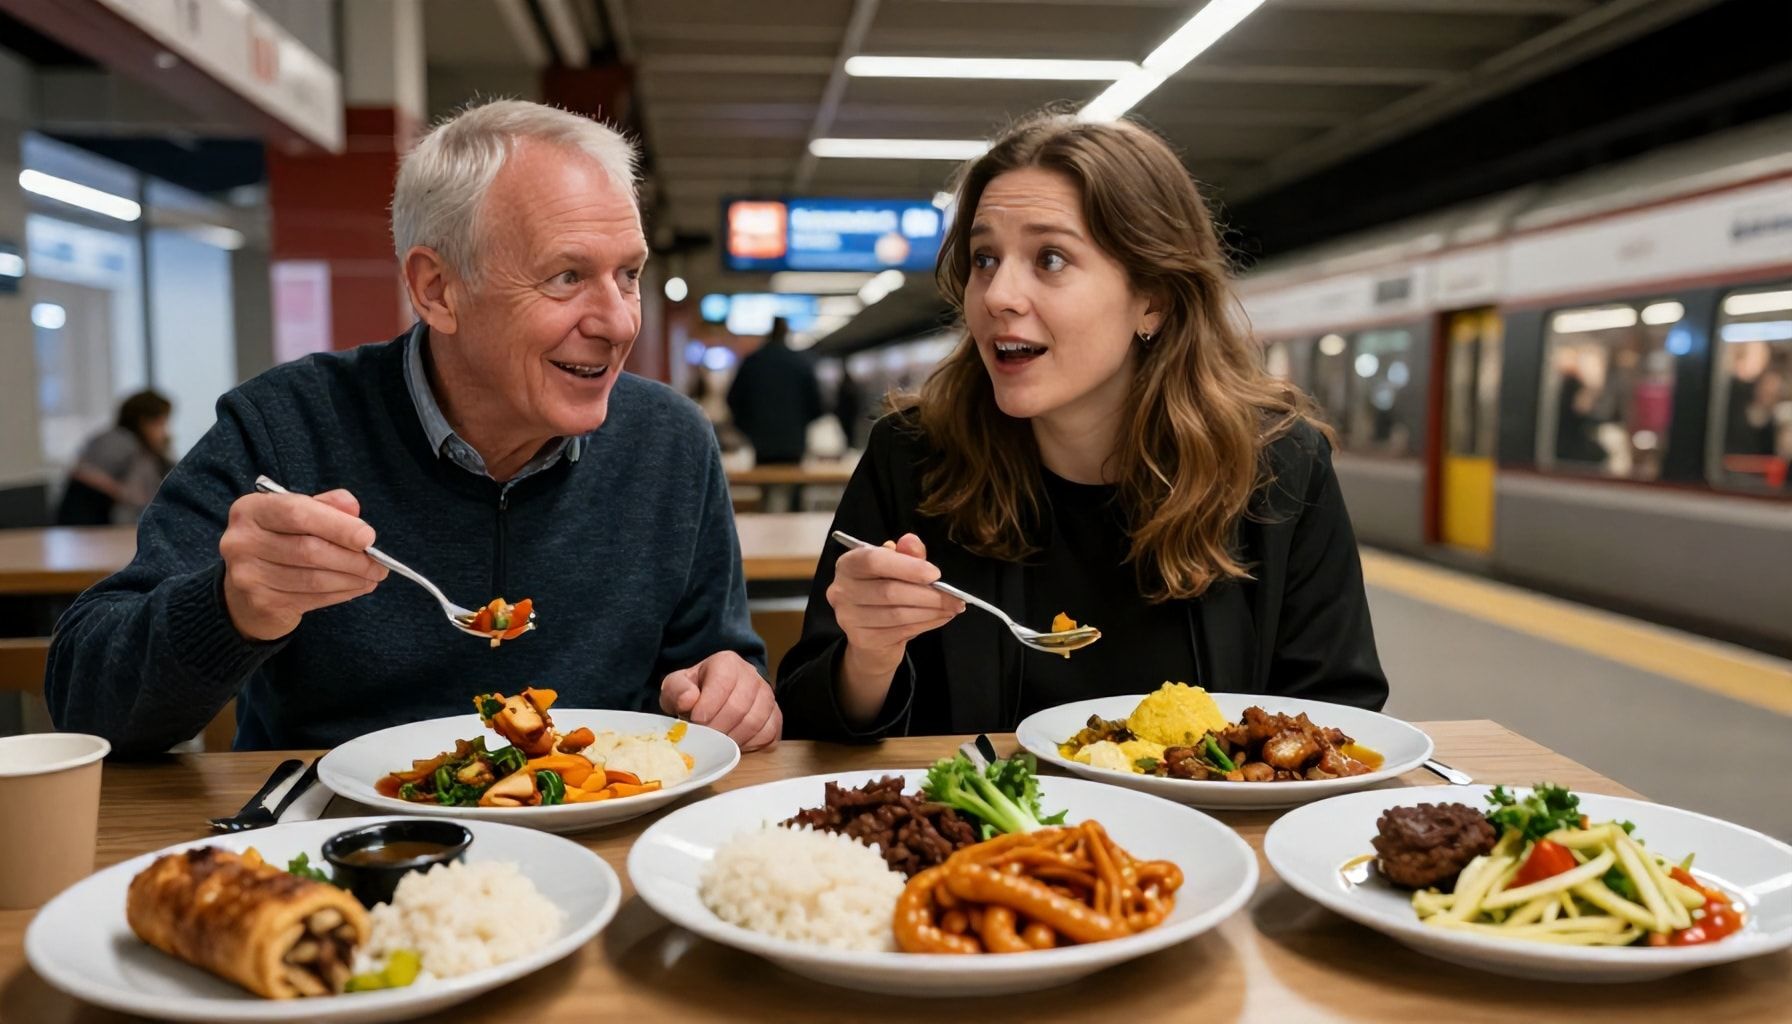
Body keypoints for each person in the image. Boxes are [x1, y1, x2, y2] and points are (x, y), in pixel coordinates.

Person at [46, 100, 779, 754]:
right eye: (566, 277)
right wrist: (230, 608)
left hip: (603, 824)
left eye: (628, 275)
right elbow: (86, 703)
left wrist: (730, 690)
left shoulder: (670, 444)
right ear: (438, 289)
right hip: (336, 836)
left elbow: (715, 665)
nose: (618, 322)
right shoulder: (286, 426)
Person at [776, 113, 1388, 741]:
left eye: (1050, 258)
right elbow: (810, 718)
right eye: (984, 259)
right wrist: (870, 655)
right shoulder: (913, 456)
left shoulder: (1278, 464)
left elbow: (1340, 713)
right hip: (982, 808)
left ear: (1153, 299)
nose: (997, 295)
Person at [55, 390, 175, 525]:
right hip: (91, 525)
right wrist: (123, 493)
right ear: (143, 421)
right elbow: (83, 472)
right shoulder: (120, 440)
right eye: (160, 423)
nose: (164, 432)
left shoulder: (142, 450)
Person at [726, 317, 824, 465]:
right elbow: (817, 405)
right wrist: (800, 424)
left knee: (764, 475)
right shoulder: (801, 363)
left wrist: (748, 428)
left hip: (761, 443)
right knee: (792, 477)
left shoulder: (753, 362)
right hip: (794, 443)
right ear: (786, 333)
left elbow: (733, 399)